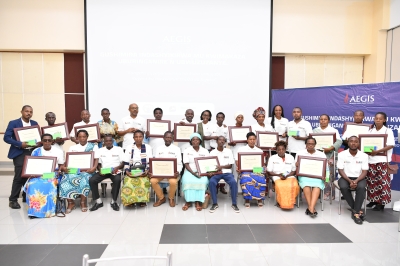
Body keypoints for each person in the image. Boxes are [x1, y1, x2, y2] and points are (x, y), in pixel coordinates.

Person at [4, 105, 39, 209]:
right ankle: (13, 200)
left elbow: (38, 137)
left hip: (31, 152)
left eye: (31, 112)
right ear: (22, 112)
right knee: (19, 176)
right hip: (20, 152)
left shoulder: (34, 123)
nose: (29, 113)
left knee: (29, 175)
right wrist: (20, 144)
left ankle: (25, 196)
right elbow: (6, 137)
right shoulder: (14, 123)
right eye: (26, 111)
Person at [23, 134, 64, 218]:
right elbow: (32, 164)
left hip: (52, 174)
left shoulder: (58, 151)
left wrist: (59, 171)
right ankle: (34, 212)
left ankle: (48, 212)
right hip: (38, 174)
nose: (47, 142)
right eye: (45, 140)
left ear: (52, 141)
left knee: (50, 184)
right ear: (42, 141)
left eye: (49, 140)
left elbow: (61, 165)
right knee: (32, 184)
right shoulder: (36, 151)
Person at [60, 130, 99, 213]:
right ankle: (70, 203)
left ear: (87, 137)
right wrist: (64, 167)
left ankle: (82, 202)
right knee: (65, 179)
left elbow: (96, 159)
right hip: (74, 170)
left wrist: (94, 168)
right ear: (77, 138)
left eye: (84, 136)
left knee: (85, 179)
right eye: (80, 137)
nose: (82, 138)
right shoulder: (73, 148)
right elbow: (68, 160)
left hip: (88, 170)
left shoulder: (93, 146)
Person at [365, 112, 395, 211]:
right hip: (371, 160)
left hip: (382, 160)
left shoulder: (387, 131)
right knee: (372, 182)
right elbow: (366, 143)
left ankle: (381, 203)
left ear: (384, 120)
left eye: (380, 118)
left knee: (382, 182)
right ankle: (373, 200)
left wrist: (377, 151)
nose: (377, 120)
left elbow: (390, 145)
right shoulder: (370, 131)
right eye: (376, 118)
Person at [337, 136, 368, 224]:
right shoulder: (342, 154)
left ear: (359, 143)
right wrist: (350, 181)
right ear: (348, 143)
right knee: (343, 186)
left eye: (355, 142)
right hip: (345, 177)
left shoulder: (364, 155)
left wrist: (356, 181)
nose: (353, 143)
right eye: (351, 141)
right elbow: (340, 170)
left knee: (361, 187)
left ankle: (355, 212)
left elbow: (364, 171)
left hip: (359, 177)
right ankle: (357, 210)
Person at [89, 135, 124, 212]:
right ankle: (98, 201)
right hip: (104, 171)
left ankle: (114, 201)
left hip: (115, 171)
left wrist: (117, 168)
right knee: (92, 180)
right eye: (106, 141)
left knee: (117, 180)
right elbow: (98, 163)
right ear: (103, 142)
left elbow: (122, 163)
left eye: (110, 141)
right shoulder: (100, 150)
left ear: (113, 141)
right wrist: (100, 169)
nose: (108, 142)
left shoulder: (119, 149)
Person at [295, 137, 327, 217]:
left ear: (315, 145)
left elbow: (325, 167)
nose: (310, 145)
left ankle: (310, 208)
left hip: (317, 176)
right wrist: (296, 165)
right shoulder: (299, 153)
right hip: (304, 175)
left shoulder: (321, 154)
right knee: (306, 185)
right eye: (308, 143)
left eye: (312, 144)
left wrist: (324, 176)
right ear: (305, 144)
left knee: (317, 185)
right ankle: (312, 208)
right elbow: (295, 165)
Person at [313, 114, 342, 200]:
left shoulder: (333, 130)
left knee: (330, 176)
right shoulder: (315, 131)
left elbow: (339, 142)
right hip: (318, 155)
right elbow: (311, 142)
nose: (323, 121)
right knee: (319, 174)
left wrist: (330, 148)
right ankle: (318, 193)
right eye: (321, 119)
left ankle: (330, 194)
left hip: (330, 156)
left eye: (325, 119)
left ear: (328, 121)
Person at [150, 131, 182, 207]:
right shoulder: (158, 148)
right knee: (152, 180)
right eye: (167, 137)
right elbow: (155, 162)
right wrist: (154, 172)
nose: (168, 139)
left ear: (172, 139)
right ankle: (162, 198)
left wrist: (177, 171)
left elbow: (179, 163)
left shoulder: (176, 149)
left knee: (173, 182)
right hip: (160, 172)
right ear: (163, 138)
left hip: (172, 173)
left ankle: (171, 198)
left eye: (170, 137)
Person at [121, 130, 152, 207]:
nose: (138, 138)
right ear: (133, 138)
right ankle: (130, 200)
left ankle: (142, 200)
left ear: (143, 137)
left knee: (143, 181)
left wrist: (147, 171)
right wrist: (127, 171)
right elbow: (126, 162)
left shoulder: (148, 147)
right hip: (132, 171)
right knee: (128, 181)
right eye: (136, 137)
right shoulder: (129, 148)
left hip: (144, 170)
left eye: (140, 136)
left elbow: (149, 162)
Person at [208, 136, 239, 213]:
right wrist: (211, 171)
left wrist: (221, 167)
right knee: (211, 182)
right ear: (216, 141)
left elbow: (230, 165)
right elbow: (210, 164)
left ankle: (234, 204)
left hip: (227, 172)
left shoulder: (228, 151)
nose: (221, 141)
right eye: (220, 140)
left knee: (233, 183)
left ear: (225, 142)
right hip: (216, 173)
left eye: (223, 140)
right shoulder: (212, 152)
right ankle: (215, 203)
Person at [235, 132, 266, 208]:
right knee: (246, 178)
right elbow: (237, 161)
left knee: (261, 178)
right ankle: (247, 199)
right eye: (250, 139)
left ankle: (259, 199)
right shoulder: (241, 149)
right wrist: (239, 168)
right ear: (247, 140)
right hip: (245, 171)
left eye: (253, 139)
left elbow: (263, 163)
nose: (252, 141)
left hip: (257, 171)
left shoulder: (259, 150)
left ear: (256, 140)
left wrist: (263, 168)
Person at [267, 141, 299, 209]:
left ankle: (291, 201)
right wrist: (279, 175)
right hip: (277, 176)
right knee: (280, 185)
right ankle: (281, 202)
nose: (281, 151)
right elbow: (269, 171)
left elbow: (293, 170)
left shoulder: (290, 157)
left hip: (289, 175)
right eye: (279, 149)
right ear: (276, 150)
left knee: (294, 185)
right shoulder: (272, 158)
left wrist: (286, 176)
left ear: (285, 149)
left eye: (283, 149)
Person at [181, 133, 210, 211]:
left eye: (197, 139)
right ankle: (188, 201)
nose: (195, 141)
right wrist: (193, 173)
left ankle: (198, 201)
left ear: (200, 141)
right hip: (189, 171)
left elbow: (208, 163)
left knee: (203, 181)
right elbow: (186, 164)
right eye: (193, 139)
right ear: (191, 141)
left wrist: (205, 172)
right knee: (187, 181)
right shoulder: (187, 150)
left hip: (202, 172)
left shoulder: (205, 151)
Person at [210, 112, 229, 194]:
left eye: (222, 117)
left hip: (223, 150)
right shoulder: (212, 127)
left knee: (222, 167)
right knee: (214, 168)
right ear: (216, 118)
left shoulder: (226, 128)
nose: (220, 119)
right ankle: (215, 187)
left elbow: (228, 139)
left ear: (223, 118)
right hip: (213, 149)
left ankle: (222, 187)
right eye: (218, 117)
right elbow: (207, 136)